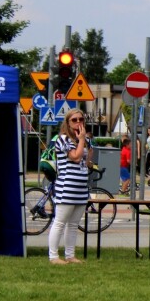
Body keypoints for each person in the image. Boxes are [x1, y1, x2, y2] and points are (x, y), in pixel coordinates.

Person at [47, 109, 94, 265]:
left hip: (81, 187)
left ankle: (70, 255)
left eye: (81, 119)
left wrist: (86, 142)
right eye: (74, 120)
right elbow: (75, 157)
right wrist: (81, 140)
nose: (78, 122)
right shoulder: (63, 139)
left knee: (73, 224)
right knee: (60, 222)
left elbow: (87, 162)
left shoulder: (83, 140)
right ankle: (53, 256)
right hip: (67, 187)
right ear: (67, 123)